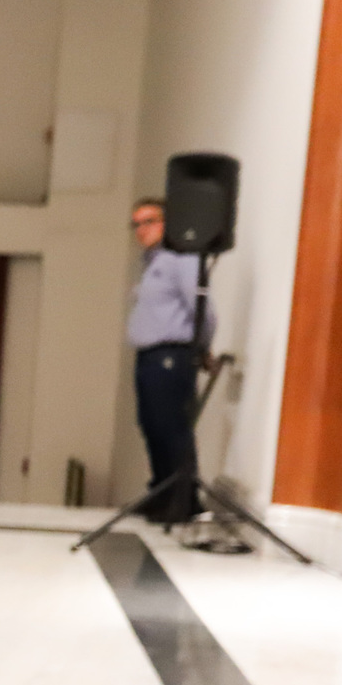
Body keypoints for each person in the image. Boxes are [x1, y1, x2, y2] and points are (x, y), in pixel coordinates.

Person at [127, 196, 214, 523]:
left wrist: (202, 348)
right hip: (150, 356)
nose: (141, 230)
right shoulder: (152, 263)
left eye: (149, 221)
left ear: (168, 223)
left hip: (171, 355)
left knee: (170, 426)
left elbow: (203, 310)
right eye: (136, 224)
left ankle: (183, 501)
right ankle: (162, 493)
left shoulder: (181, 258)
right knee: (151, 424)